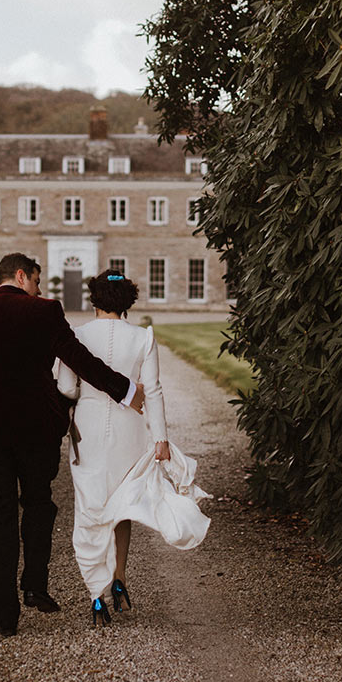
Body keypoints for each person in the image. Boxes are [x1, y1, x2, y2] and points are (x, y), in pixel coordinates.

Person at [0, 253, 146, 638]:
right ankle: (34, 585)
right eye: (37, 281)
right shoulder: (45, 312)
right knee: (39, 504)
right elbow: (80, 360)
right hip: (35, 431)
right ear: (20, 275)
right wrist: (125, 389)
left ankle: (4, 615)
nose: (40, 289)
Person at [56, 269, 211, 628]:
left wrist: (84, 393)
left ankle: (97, 595)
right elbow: (153, 391)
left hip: (89, 428)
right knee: (123, 502)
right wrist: (161, 439)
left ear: (94, 299)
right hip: (129, 429)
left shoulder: (76, 336)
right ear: (127, 301)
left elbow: (65, 387)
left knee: (91, 507)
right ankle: (120, 578)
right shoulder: (142, 337)